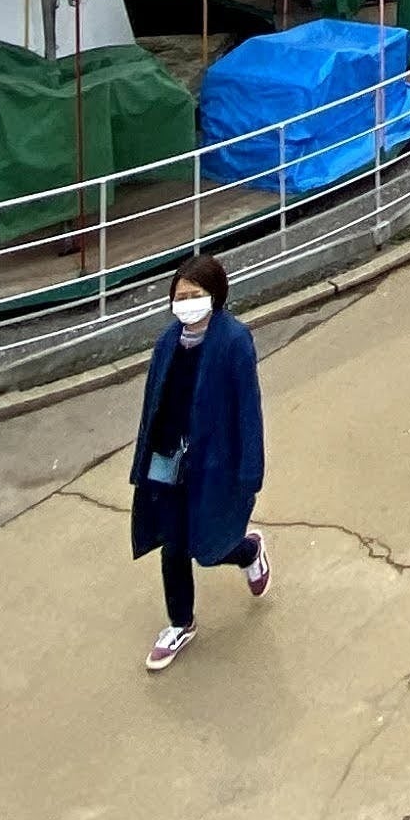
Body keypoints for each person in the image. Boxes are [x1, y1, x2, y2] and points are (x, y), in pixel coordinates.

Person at [132, 253, 269, 669]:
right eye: (180, 296)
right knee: (172, 542)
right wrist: (144, 462)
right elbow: (153, 405)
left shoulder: (233, 341)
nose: (186, 304)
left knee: (208, 546)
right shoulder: (167, 343)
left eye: (195, 295)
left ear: (215, 296)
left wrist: (250, 470)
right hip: (168, 460)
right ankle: (180, 622)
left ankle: (248, 551)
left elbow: (248, 408)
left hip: (213, 463)